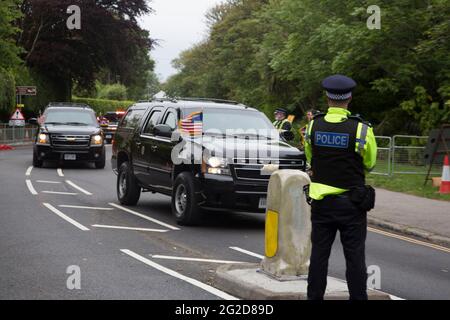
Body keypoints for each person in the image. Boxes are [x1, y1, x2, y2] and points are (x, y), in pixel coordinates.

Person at [304, 74, 377, 300]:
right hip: (352, 205)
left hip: (321, 204)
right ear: (350, 98)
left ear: (327, 98)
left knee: (318, 257)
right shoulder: (361, 129)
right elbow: (370, 163)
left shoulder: (313, 125)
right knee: (355, 258)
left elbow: (311, 158)